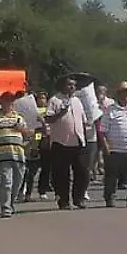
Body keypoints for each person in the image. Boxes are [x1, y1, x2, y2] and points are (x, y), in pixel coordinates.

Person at [44, 77, 89, 210]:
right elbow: (48, 118)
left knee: (82, 172)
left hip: (78, 141)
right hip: (61, 143)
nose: (72, 87)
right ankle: (63, 200)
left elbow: (83, 120)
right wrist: (61, 113)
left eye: (74, 85)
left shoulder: (77, 101)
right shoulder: (54, 100)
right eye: (69, 85)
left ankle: (78, 198)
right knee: (62, 174)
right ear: (62, 86)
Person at [0, 92, 30, 217]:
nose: (8, 103)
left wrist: (22, 129)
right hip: (2, 154)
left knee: (18, 181)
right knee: (6, 181)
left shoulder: (19, 118)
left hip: (18, 154)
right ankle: (5, 208)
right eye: (6, 100)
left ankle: (10, 202)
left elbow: (28, 134)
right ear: (1, 102)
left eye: (10, 101)